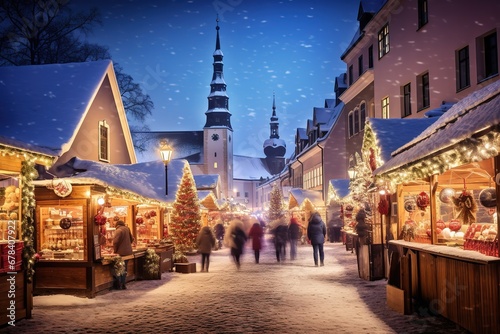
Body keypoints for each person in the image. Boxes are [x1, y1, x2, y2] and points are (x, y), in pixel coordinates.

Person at [113, 220, 134, 289]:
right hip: (128, 252)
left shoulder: (118, 230)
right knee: (124, 268)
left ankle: (119, 284)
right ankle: (123, 283)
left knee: (119, 268)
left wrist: (115, 250)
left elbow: (115, 242)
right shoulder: (127, 229)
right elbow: (132, 239)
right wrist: (127, 245)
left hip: (121, 253)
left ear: (117, 225)